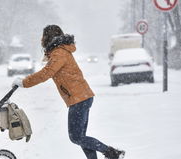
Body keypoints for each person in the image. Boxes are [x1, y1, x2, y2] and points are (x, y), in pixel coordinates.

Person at [12, 25, 125, 159]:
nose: (41, 39)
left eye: (43, 36)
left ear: (48, 37)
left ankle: (112, 153)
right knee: (81, 137)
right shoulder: (59, 51)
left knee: (76, 137)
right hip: (82, 97)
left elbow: (46, 73)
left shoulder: (59, 53)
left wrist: (24, 82)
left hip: (79, 99)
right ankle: (108, 154)